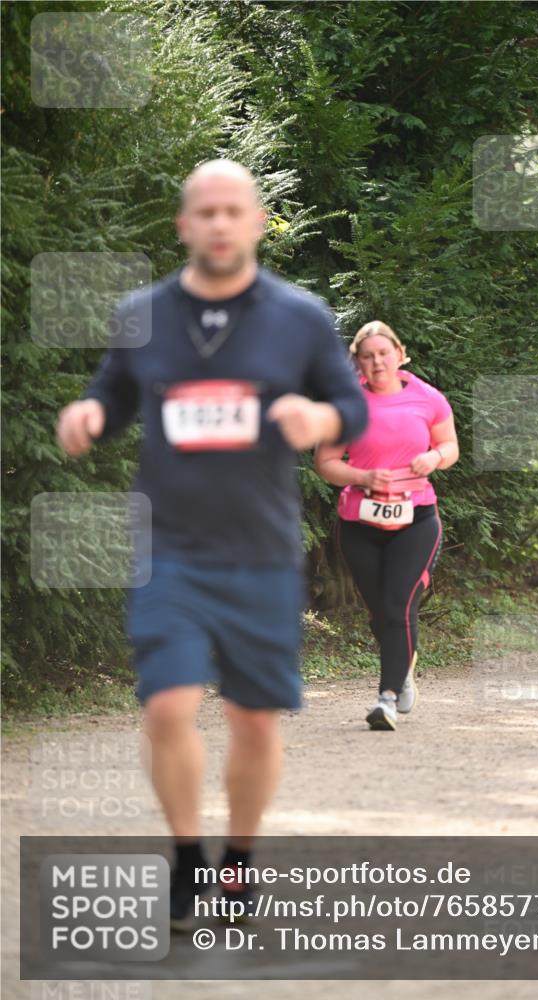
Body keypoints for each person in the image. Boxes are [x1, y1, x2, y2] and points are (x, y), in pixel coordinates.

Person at [55, 159, 368, 930]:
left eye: (234, 210)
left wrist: (319, 422)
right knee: (166, 707)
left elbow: (351, 408)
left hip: (259, 551)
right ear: (184, 226)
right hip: (171, 551)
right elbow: (113, 393)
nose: (220, 224)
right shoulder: (144, 312)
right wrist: (88, 414)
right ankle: (188, 861)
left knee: (254, 720)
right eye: (206, 212)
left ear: (257, 222)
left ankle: (238, 864)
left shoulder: (299, 316)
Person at [314, 320, 459, 731]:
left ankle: (387, 697)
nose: (377, 362)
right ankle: (404, 667)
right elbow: (325, 464)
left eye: (384, 353)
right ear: (357, 363)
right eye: (368, 355)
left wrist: (434, 458)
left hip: (416, 518)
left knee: (398, 605)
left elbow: (449, 446)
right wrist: (362, 477)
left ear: (399, 353)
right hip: (360, 522)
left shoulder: (428, 398)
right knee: (381, 614)